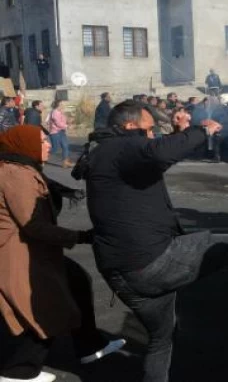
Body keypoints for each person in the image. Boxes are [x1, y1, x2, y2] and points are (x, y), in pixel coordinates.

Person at [71, 101, 228, 382]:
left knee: (161, 340)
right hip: (150, 260)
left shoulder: (105, 152)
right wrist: (199, 130)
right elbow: (157, 153)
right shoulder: (122, 147)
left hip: (119, 270)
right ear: (129, 126)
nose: (152, 134)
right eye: (148, 129)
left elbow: (152, 154)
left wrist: (180, 132)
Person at [0, 125, 125, 382]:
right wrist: (82, 237)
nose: (49, 145)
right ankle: (19, 372)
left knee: (77, 282)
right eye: (43, 141)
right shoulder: (16, 174)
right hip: (19, 254)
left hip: (33, 250)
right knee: (46, 307)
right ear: (24, 145)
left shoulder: (24, 169)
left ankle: (90, 346)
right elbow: (33, 225)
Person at [47, 100, 72, 168]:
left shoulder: (60, 112)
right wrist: (67, 126)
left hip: (61, 131)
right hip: (55, 132)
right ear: (57, 105)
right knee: (55, 148)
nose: (63, 105)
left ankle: (65, 162)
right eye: (61, 104)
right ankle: (43, 155)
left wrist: (68, 121)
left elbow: (63, 121)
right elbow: (58, 123)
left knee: (65, 146)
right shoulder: (54, 112)